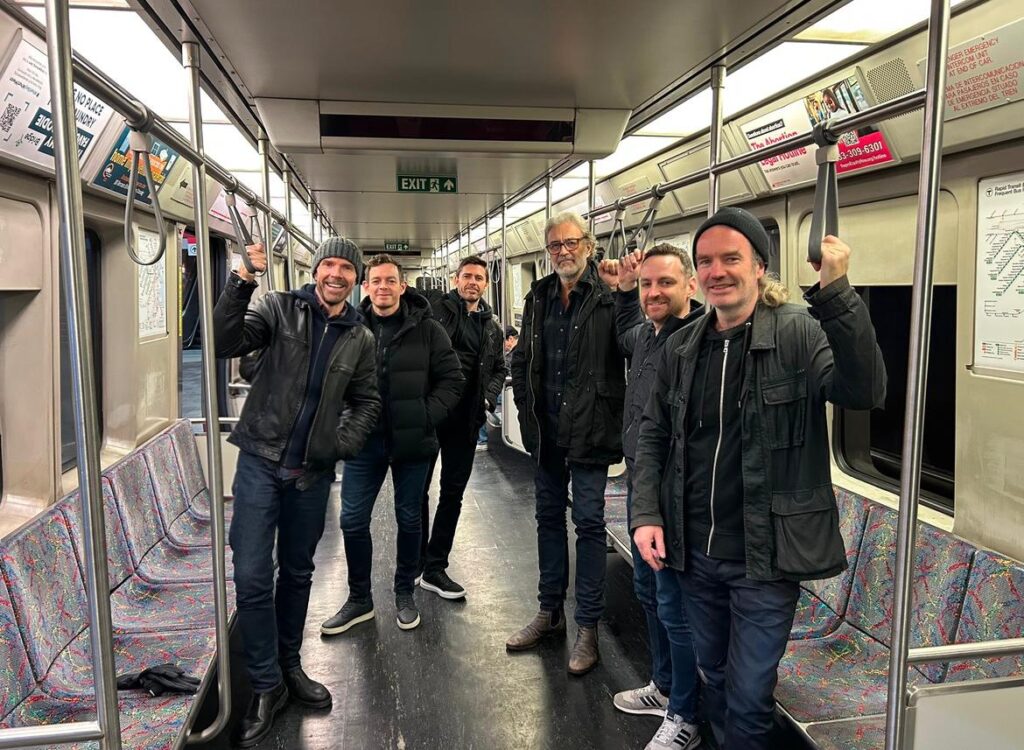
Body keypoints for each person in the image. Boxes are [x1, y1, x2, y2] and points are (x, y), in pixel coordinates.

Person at [631, 207, 886, 750]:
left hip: (764, 558)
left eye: (731, 258)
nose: (716, 271)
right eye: (705, 261)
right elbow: (654, 435)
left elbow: (865, 391)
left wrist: (837, 293)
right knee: (716, 677)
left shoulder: (799, 332)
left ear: (760, 267)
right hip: (693, 550)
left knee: (748, 697)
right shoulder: (683, 347)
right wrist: (647, 514)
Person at [213, 237, 380, 748]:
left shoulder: (360, 337)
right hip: (261, 462)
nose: (336, 274)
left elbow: (367, 402)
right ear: (316, 270)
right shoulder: (278, 308)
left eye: (345, 268)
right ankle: (265, 684)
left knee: (300, 571)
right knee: (252, 573)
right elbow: (222, 341)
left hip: (311, 474)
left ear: (355, 279)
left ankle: (290, 666)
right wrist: (242, 279)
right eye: (328, 264)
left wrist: (334, 447)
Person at [507, 210, 626, 675]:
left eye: (571, 242)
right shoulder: (537, 296)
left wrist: (631, 294)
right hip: (546, 429)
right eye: (554, 246)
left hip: (591, 430)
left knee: (590, 524)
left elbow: (632, 349)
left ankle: (588, 626)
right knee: (547, 520)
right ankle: (549, 610)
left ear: (589, 246)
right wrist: (523, 407)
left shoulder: (610, 297)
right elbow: (523, 359)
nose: (563, 251)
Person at [321, 254, 463, 635]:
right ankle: (359, 599)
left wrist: (424, 415)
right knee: (351, 520)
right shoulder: (346, 328)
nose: (383, 287)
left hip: (413, 443)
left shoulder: (428, 329)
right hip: (364, 443)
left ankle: (404, 591)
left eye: (390, 280)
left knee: (409, 518)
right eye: (376, 281)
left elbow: (453, 380)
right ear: (364, 287)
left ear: (403, 286)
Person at [598, 246, 704, 750]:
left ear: (691, 286)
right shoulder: (646, 334)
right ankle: (663, 687)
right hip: (643, 492)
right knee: (649, 597)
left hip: (674, 499)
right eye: (646, 284)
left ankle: (685, 711)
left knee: (673, 608)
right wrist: (623, 292)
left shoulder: (700, 341)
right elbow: (623, 332)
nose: (654, 292)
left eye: (665, 282)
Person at [419, 255, 507, 599]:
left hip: (466, 419)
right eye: (467, 276)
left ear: (486, 284)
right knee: (417, 492)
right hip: (430, 415)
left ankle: (434, 566)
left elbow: (498, 368)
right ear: (456, 280)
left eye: (479, 278)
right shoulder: (434, 313)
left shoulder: (492, 327)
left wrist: (487, 399)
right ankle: (414, 559)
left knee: (452, 494)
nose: (472, 282)